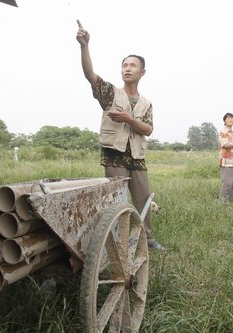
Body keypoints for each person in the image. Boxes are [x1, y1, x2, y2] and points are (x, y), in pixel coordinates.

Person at [76, 20, 164, 250]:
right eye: (124, 65)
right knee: (114, 200)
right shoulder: (110, 94)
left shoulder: (146, 103)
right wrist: (85, 46)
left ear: (142, 72)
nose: (127, 68)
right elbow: (90, 74)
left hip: (136, 155)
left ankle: (148, 238)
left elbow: (148, 130)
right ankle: (116, 239)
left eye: (132, 65)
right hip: (114, 154)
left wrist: (129, 119)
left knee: (143, 197)